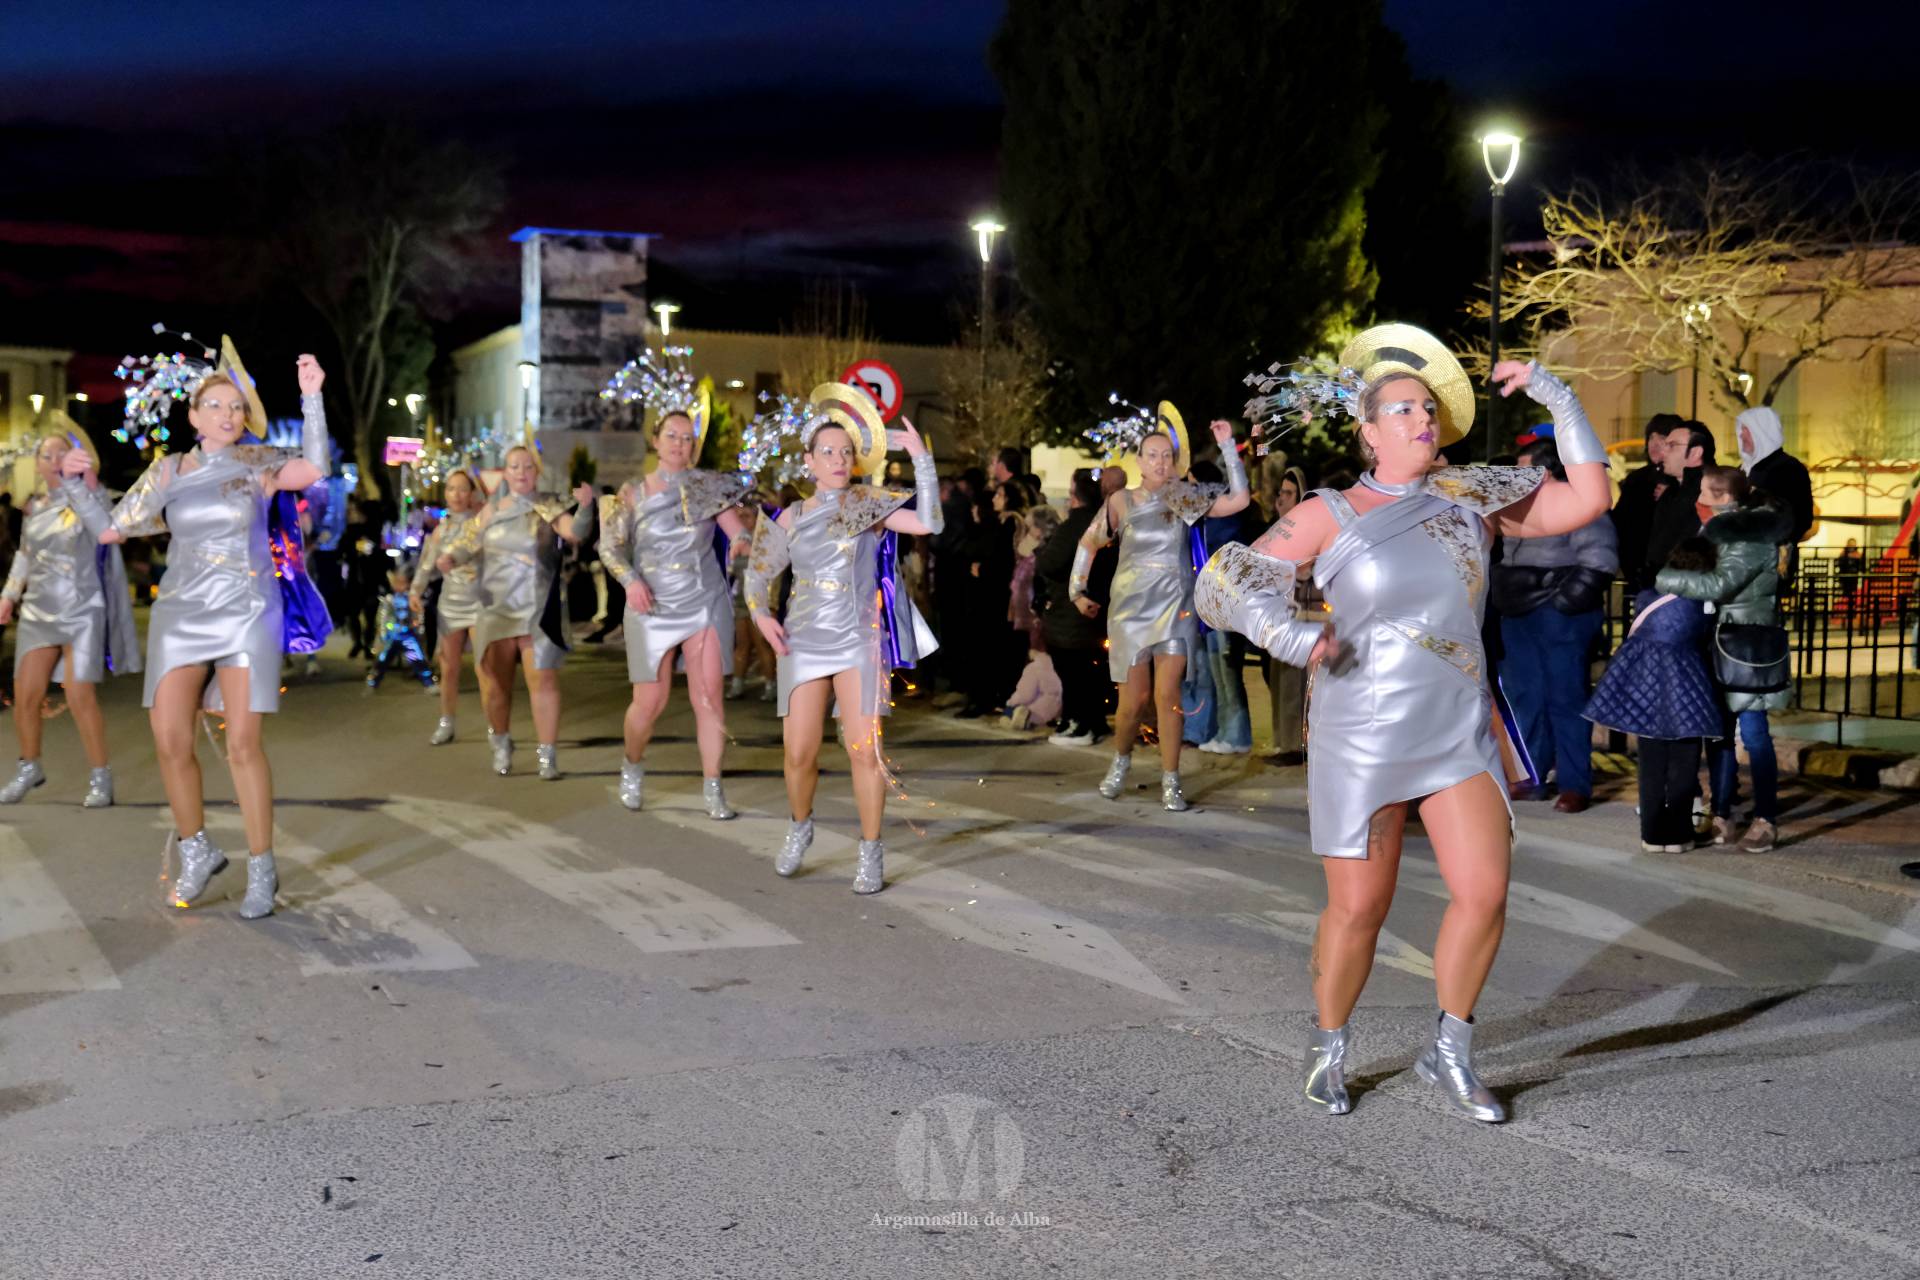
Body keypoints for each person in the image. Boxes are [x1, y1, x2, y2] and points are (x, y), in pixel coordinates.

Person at [1200, 323, 1612, 1121]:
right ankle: (1328, 1046)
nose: (1422, 419)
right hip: (1362, 732)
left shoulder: (1473, 498)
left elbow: (1589, 499)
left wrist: (1558, 398)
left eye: (1428, 407)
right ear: (1368, 431)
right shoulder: (1330, 511)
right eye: (1403, 409)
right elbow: (1225, 583)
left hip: (1456, 727)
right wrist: (1291, 635)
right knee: (1360, 909)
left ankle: (1449, 1052)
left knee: (1485, 892)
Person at [91, 344, 333, 919]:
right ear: (194, 416)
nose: (228, 415)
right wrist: (80, 486)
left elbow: (314, 469)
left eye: (236, 407)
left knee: (242, 744)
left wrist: (312, 399)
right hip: (180, 613)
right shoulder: (168, 471)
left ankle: (262, 867)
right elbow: (111, 529)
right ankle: (197, 849)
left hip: (247, 610)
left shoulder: (258, 463)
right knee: (170, 739)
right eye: (216, 406)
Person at [745, 387, 941, 894]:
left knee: (864, 751)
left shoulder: (867, 504)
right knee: (798, 754)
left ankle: (871, 850)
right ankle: (799, 826)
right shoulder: (790, 516)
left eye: (846, 451)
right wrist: (761, 615)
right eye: (827, 451)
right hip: (803, 643)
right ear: (809, 461)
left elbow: (927, 522)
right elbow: (756, 576)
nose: (837, 459)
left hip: (858, 640)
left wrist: (921, 460)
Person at [1074, 404, 1250, 811]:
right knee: (1134, 702)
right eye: (1151, 455)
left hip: (1175, 606)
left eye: (1166, 455)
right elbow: (1088, 544)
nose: (1159, 462)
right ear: (1138, 461)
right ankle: (1121, 761)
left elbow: (1240, 500)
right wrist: (1077, 591)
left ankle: (1172, 780)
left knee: (1168, 695)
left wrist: (1228, 448)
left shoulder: (1184, 497)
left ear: (1174, 461)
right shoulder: (1120, 501)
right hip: (1130, 610)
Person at [598, 403, 751, 817]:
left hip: (704, 598)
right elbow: (609, 547)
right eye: (672, 436)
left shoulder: (709, 487)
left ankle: (713, 787)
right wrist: (631, 581)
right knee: (650, 701)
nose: (679, 444)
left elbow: (736, 530)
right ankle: (632, 764)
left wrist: (741, 542)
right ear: (655, 441)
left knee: (709, 698)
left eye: (687, 438)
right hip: (650, 601)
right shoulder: (632, 491)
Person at [436, 444, 596, 780]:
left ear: (537, 472)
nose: (521, 472)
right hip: (496, 607)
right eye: (514, 466)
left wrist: (585, 507)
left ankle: (547, 755)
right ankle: (501, 741)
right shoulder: (490, 510)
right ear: (505, 473)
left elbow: (575, 534)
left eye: (527, 466)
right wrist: (451, 558)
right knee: (496, 684)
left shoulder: (550, 506)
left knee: (544, 680)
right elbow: (467, 543)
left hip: (538, 608)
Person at [1655, 465, 1793, 853]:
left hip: (1746, 644)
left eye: (1703, 490)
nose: (1697, 496)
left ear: (1724, 498)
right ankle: (1722, 812)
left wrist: (1665, 578)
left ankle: (1765, 818)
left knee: (1754, 734)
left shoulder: (1749, 536)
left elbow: (1720, 584)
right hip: (1721, 640)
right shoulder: (1721, 530)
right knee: (1719, 734)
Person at [0, 427, 139, 807]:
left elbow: (108, 528)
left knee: (80, 695)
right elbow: (25, 555)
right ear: (38, 465)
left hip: (82, 609)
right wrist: (8, 595)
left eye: (61, 453)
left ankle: (100, 776)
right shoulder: (34, 507)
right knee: (26, 695)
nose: (53, 461)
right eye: (46, 455)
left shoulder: (89, 497)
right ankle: (29, 766)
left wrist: (87, 483)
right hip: (38, 611)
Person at [1490, 437, 1620, 812]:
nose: (1515, 474)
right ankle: (1532, 775)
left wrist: (1563, 605)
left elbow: (1600, 560)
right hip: (1518, 612)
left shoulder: (1578, 503)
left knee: (1566, 699)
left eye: (1523, 468)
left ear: (1544, 471)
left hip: (1559, 615)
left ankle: (1574, 783)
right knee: (1524, 697)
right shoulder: (1515, 506)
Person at [1583, 540, 1724, 851]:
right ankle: (1679, 835)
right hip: (1686, 683)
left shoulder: (1648, 595)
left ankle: (1652, 835)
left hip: (1644, 684)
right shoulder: (1703, 601)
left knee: (1651, 764)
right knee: (1683, 762)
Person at [411, 468, 487, 744]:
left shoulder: (480, 525)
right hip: (450, 603)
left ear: (472, 494)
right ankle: (446, 721)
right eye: (451, 488)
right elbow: (426, 565)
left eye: (463, 489)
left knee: (484, 668)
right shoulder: (440, 531)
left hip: (479, 602)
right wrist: (415, 590)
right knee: (449, 667)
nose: (456, 495)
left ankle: (496, 727)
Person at [1037, 469, 1108, 746]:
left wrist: (1039, 553)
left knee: (1073, 671)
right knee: (1089, 670)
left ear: (1074, 496)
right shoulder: (1105, 522)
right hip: (1097, 606)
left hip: (1070, 610)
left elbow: (1051, 563)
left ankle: (1081, 724)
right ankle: (1091, 722)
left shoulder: (1073, 526)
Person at [1262, 466, 1310, 764]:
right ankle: (1285, 742)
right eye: (1281, 492)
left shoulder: (1307, 527)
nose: (1282, 498)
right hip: (1278, 612)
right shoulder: (1280, 527)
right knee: (1279, 678)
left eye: (1289, 493)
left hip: (1300, 610)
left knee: (1294, 681)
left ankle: (1296, 745)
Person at [1736, 406, 1814, 580]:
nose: (1741, 435)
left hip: (1770, 565)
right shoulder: (1741, 470)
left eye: (1746, 429)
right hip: (1741, 562)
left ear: (1762, 431)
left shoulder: (1790, 469)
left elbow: (1801, 519)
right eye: (1741, 429)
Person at [1612, 414, 1681, 593]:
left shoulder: (1686, 479)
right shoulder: (1636, 479)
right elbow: (1621, 520)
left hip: (1674, 571)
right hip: (1637, 570)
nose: (1654, 444)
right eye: (1651, 437)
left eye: (1662, 437)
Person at [1643, 420, 1715, 581]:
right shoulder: (1670, 492)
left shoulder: (1710, 493)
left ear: (1695, 452)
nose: (1663, 452)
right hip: (1662, 583)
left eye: (1672, 445)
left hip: (1688, 585)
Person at [366, 565, 436, 691]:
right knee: (383, 659)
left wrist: (419, 628)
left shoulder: (411, 599)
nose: (400, 586)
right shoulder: (389, 599)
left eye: (403, 583)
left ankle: (429, 682)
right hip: (393, 634)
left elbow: (418, 614)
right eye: (397, 583)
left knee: (418, 658)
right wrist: (384, 632)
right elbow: (383, 617)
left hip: (408, 634)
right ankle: (373, 681)